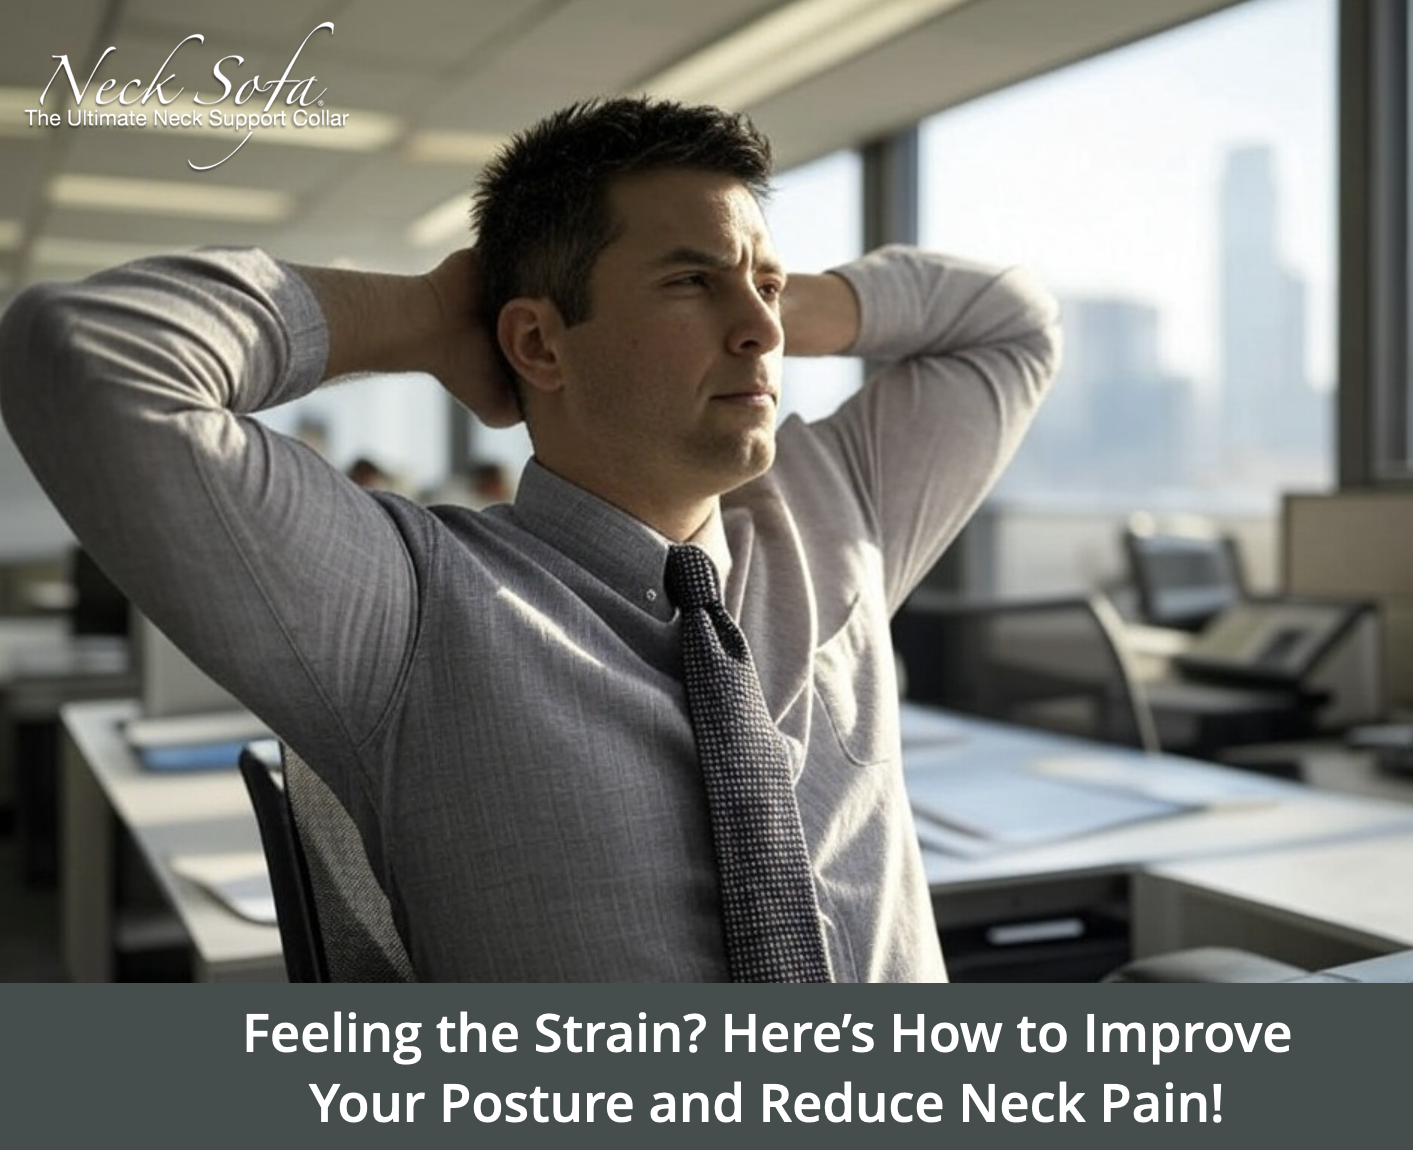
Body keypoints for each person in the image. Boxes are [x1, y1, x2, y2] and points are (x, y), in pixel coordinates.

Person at [0, 97, 1059, 981]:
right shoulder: (410, 605)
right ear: (538, 341)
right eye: (688, 281)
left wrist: (773, 295)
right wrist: (421, 313)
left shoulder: (832, 515)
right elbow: (84, 353)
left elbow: (1011, 322)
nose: (762, 329)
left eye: (764, 287)